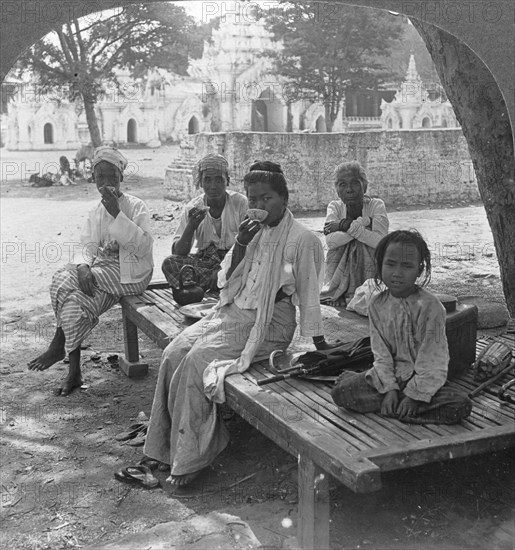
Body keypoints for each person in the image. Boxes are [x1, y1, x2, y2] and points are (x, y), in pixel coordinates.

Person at [141, 161, 334, 487]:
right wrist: (241, 245)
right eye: (253, 199)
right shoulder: (250, 232)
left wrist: (319, 345)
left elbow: (310, 295)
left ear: (284, 199)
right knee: (174, 352)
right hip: (232, 312)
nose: (258, 206)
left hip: (270, 323)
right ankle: (161, 447)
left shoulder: (303, 240)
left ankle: (192, 457)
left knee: (198, 359)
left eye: (266, 199)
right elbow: (225, 280)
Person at [28, 146, 154, 396]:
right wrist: (84, 267)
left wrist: (117, 214)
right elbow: (86, 246)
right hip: (101, 271)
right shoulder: (96, 211)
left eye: (112, 176)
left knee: (76, 286)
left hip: (132, 273)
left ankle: (57, 346)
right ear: (93, 178)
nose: (106, 182)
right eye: (101, 177)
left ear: (121, 177)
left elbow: (142, 249)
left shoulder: (137, 207)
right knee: (65, 286)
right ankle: (74, 371)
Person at [331, 230, 472, 424]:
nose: (397, 273)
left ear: (419, 270)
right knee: (341, 393)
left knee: (460, 404)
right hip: (387, 378)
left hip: (423, 379)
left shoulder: (431, 307)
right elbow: (381, 355)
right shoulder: (376, 305)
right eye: (390, 264)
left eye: (407, 266)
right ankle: (401, 408)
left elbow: (433, 359)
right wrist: (390, 389)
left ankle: (405, 407)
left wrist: (415, 396)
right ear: (380, 265)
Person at [162, 153, 248, 291]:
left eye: (219, 179)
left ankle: (211, 285)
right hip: (206, 263)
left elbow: (249, 245)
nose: (213, 186)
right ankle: (224, 285)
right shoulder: (193, 207)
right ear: (200, 182)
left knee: (251, 267)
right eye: (207, 180)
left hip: (236, 261)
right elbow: (178, 252)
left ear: (228, 180)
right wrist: (191, 226)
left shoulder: (241, 203)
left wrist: (223, 267)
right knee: (170, 263)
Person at [320, 161, 389, 307]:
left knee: (364, 245)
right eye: (342, 184)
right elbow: (331, 242)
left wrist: (343, 226)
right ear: (337, 190)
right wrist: (364, 223)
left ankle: (366, 290)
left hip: (370, 266)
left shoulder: (376, 205)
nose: (349, 189)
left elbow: (380, 242)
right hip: (339, 260)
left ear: (365, 186)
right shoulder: (335, 207)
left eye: (355, 183)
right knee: (345, 246)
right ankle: (340, 291)